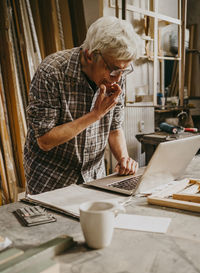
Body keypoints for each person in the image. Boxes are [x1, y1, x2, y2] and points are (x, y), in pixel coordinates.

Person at [24, 16, 140, 195]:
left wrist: (123, 158)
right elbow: (45, 140)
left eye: (124, 71)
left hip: (94, 178)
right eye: (114, 69)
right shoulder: (52, 72)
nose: (117, 78)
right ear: (90, 55)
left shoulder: (116, 76)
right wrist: (95, 115)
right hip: (51, 182)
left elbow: (114, 128)